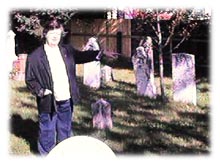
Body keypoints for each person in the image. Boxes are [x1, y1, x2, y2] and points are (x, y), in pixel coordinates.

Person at [25, 19, 118, 155]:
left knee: (65, 129)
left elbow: (81, 56)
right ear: (45, 34)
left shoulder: (66, 50)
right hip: (48, 100)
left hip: (66, 99)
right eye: (52, 34)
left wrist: (101, 54)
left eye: (58, 34)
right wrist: (41, 90)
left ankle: (63, 156)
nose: (55, 37)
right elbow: (30, 79)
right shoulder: (35, 57)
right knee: (47, 131)